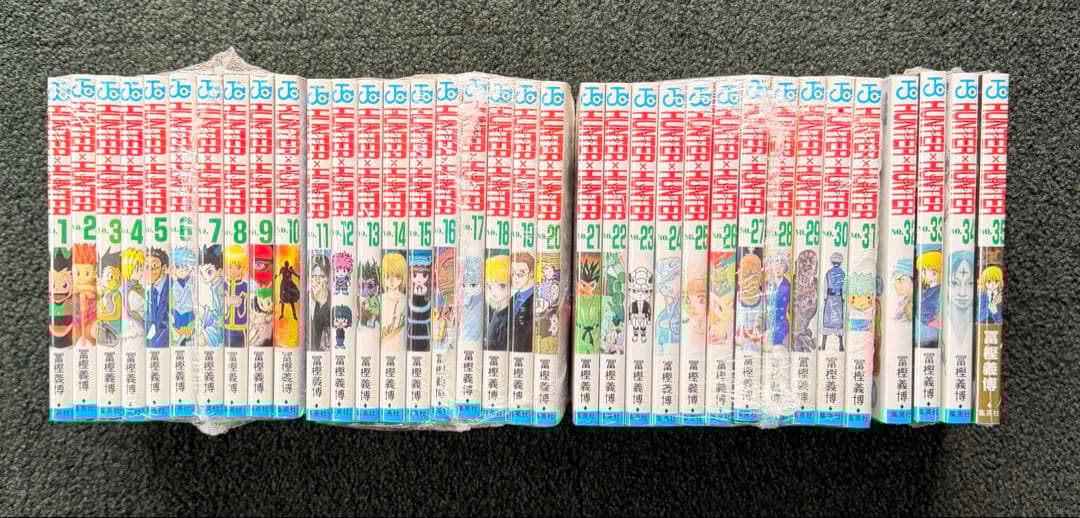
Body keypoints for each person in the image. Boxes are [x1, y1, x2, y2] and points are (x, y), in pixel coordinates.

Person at [510, 252, 535, 353]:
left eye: (520, 274)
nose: (515, 278)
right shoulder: (511, 300)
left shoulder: (537, 300)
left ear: (531, 274)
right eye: (513, 274)